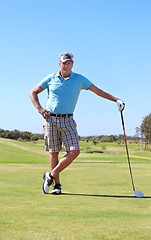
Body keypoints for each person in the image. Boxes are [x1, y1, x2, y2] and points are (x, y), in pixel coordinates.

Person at [29, 52, 125, 195]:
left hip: (68, 119)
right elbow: (33, 92)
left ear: (72, 64)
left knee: (74, 151)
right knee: (53, 153)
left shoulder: (79, 79)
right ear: (59, 64)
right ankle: (57, 185)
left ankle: (50, 175)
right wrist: (39, 108)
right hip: (50, 119)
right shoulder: (50, 78)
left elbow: (97, 91)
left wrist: (116, 100)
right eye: (64, 63)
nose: (67, 65)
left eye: (69, 63)